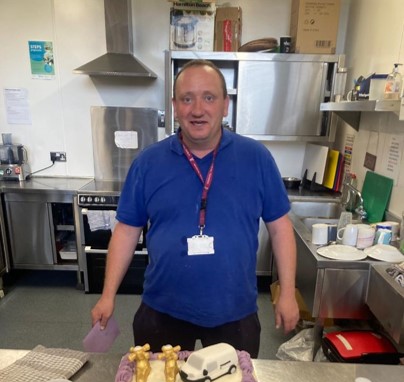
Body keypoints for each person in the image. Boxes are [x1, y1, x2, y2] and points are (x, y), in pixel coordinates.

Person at [91, 59, 299, 358]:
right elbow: (126, 231)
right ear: (175, 106)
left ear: (225, 105)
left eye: (209, 98)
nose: (198, 110)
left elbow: (280, 229)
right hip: (163, 308)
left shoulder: (256, 158)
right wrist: (107, 295)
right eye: (187, 99)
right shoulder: (148, 163)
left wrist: (288, 293)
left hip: (234, 309)